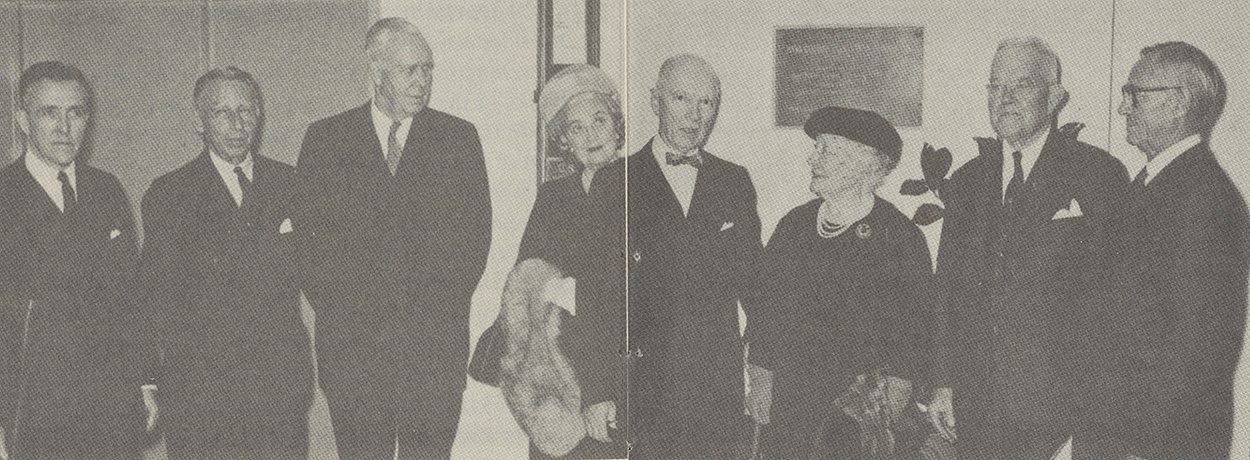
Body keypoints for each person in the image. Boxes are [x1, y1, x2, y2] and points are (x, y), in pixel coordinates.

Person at [296, 17, 491, 459]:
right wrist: (360, 315)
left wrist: (427, 316)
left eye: (428, 69)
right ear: (376, 74)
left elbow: (474, 242)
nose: (423, 81)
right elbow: (310, 250)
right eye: (411, 70)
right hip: (355, 356)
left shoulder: (458, 139)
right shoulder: (327, 139)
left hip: (433, 353)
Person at [930, 37, 1128, 459]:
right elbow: (946, 289)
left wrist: (1098, 414)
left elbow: (1116, 298)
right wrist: (943, 382)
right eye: (995, 86)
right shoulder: (967, 182)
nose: (1005, 98)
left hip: (1061, 409)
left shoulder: (1098, 174)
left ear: (1055, 97)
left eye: (1021, 85)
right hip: (977, 406)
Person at [137, 67, 313, 459]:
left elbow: (323, 276)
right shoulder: (170, 194)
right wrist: (147, 378)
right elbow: (153, 296)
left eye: (246, 110)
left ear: (260, 115)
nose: (237, 124)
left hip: (279, 393)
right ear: (198, 122)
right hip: (202, 398)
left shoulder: (291, 183)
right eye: (222, 113)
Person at [1083, 41, 1248, 460]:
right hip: (1121, 437)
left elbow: (1199, 348)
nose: (1123, 108)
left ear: (1177, 104)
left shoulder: (1204, 199)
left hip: (1153, 444)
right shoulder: (1161, 184)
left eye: (1133, 94)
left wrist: (1142, 449)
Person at [596, 53, 761, 458]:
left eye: (706, 103)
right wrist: (599, 389)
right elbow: (597, 294)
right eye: (681, 99)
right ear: (655, 102)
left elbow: (758, 287)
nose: (695, 115)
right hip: (641, 387)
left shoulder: (734, 181)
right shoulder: (616, 180)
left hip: (716, 388)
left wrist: (762, 369)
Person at [749, 107, 935, 458]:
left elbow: (915, 336)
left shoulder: (900, 237)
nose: (812, 158)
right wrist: (760, 379)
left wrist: (882, 421)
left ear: (866, 166)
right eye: (816, 148)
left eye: (827, 151)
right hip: (789, 406)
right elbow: (764, 312)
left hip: (854, 416)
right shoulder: (794, 225)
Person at [469, 64, 626, 460]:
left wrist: (571, 289)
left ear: (616, 126)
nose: (591, 135)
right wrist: (566, 290)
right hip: (554, 376)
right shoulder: (552, 197)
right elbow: (526, 279)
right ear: (564, 142)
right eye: (576, 128)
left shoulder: (639, 187)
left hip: (616, 371)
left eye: (599, 120)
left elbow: (630, 290)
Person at [0, 61, 145, 458]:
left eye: (76, 113)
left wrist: (146, 382)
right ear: (23, 121)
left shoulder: (107, 189)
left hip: (113, 410)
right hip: (35, 412)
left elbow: (132, 296)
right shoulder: (5, 196)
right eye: (50, 112)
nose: (65, 127)